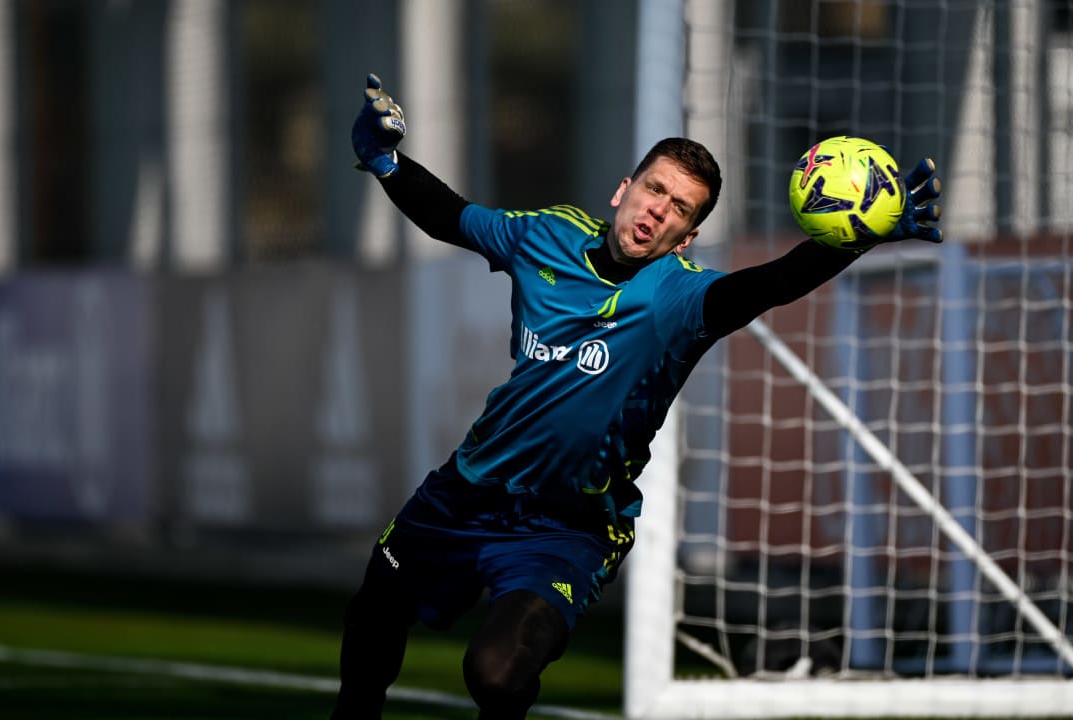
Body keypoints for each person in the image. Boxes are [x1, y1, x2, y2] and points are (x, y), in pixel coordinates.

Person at [332, 73, 942, 720]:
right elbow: (449, 215)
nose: (658, 209)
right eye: (654, 189)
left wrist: (853, 238)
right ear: (624, 190)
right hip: (466, 491)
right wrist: (383, 161)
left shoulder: (675, 299)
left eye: (680, 209)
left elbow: (771, 284)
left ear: (685, 238)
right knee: (376, 607)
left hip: (567, 526)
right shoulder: (546, 235)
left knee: (496, 674)